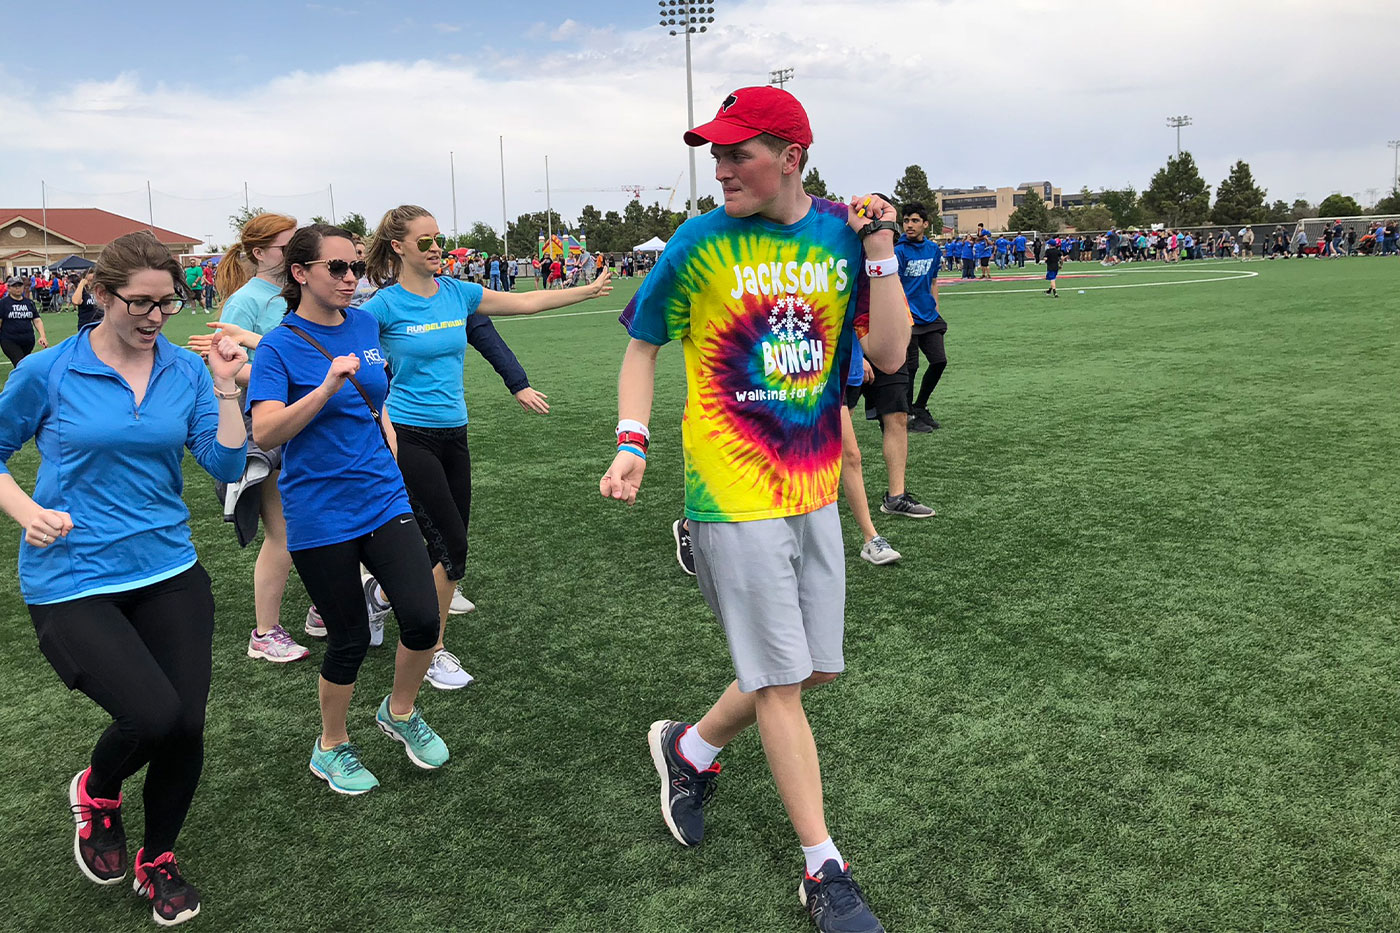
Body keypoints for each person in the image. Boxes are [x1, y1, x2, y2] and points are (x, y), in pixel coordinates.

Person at [603, 85, 903, 933]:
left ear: (793, 158)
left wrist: (879, 248)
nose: (722, 166)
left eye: (740, 152)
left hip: (811, 486)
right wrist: (633, 440)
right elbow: (641, 343)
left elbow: (885, 354)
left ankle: (689, 747)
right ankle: (824, 869)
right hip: (730, 490)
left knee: (810, 669)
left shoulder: (844, 235)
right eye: (716, 152)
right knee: (780, 682)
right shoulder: (700, 240)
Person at [0, 231, 248, 926]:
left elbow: (226, 468)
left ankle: (158, 856)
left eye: (168, 302)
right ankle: (98, 789)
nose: (155, 317)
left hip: (168, 567)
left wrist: (227, 390)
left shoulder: (186, 369)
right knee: (152, 715)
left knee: (187, 725)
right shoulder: (48, 370)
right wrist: (27, 510)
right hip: (71, 578)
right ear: (100, 294)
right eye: (140, 302)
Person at [361, 206, 612, 690]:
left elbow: (527, 304)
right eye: (424, 241)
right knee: (451, 546)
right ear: (398, 248)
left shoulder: (458, 293)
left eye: (438, 239)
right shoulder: (383, 307)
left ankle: (382, 599)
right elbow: (330, 339)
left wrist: (586, 290)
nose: (436, 248)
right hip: (408, 436)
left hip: (454, 433)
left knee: (447, 547)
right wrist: (253, 343)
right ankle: (430, 649)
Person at [248, 223, 450, 795]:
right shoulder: (281, 345)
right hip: (319, 512)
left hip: (383, 497)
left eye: (355, 267)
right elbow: (264, 429)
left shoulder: (363, 323)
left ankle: (400, 711)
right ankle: (331, 744)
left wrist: (383, 425)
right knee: (350, 640)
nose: (350, 277)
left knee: (421, 617)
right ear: (300, 273)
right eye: (337, 268)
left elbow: (377, 390)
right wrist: (326, 389)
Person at [188, 213, 312, 663]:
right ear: (260, 253)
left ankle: (320, 609)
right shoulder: (245, 301)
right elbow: (225, 365)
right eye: (288, 245)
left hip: (306, 422)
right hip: (268, 428)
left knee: (315, 521)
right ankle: (264, 632)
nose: (298, 249)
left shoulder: (296, 293)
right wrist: (279, 383)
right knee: (283, 532)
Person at [841, 335, 900, 565]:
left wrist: (862, 357)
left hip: (853, 371)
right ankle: (871, 537)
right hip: (823, 373)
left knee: (834, 454)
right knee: (851, 455)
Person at [897, 203, 946, 434]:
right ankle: (908, 416)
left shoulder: (933, 250)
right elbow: (893, 287)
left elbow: (934, 282)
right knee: (911, 367)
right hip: (907, 318)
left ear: (925, 224)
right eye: (906, 220)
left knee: (939, 361)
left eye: (915, 221)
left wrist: (935, 307)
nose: (909, 225)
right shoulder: (899, 251)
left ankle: (920, 405)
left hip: (929, 316)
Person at [0, 275, 48, 365]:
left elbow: (37, 320)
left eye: (20, 285)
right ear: (9, 288)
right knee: (20, 363)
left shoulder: (29, 303)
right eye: (14, 286)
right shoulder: (3, 303)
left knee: (24, 364)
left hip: (28, 340)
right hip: (10, 340)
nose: (18, 288)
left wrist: (43, 336)